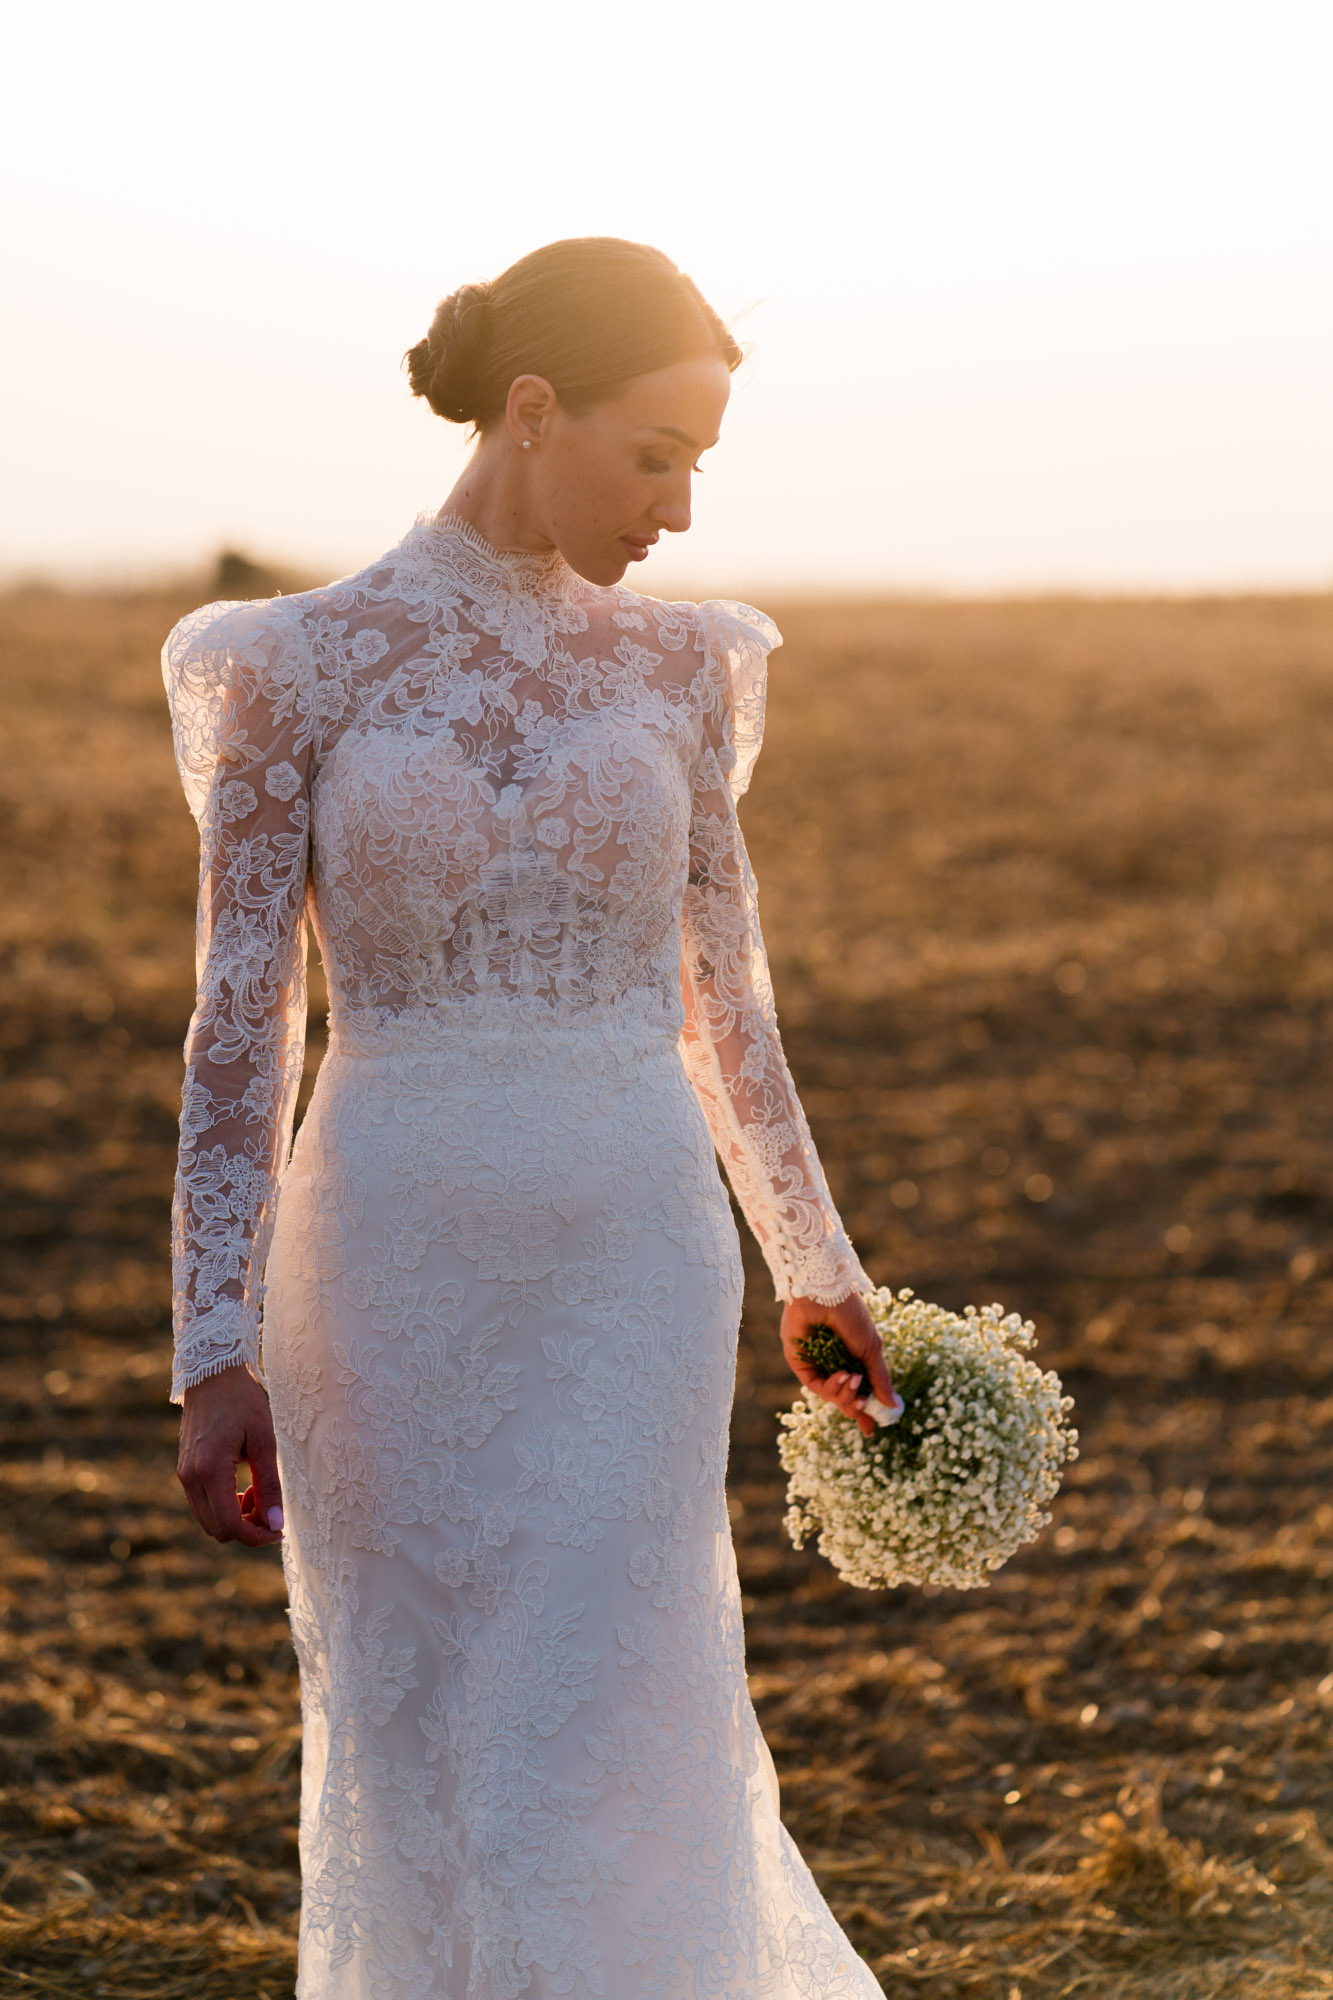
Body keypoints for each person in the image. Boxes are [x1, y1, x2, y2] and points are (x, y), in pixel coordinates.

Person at [164, 236, 897, 1998]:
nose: (683, 512)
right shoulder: (296, 665)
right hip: (389, 1254)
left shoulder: (678, 670)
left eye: (701, 468)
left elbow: (727, 1000)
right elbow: (237, 1025)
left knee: (610, 1689)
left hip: (629, 1243)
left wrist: (816, 1260)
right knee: (426, 1718)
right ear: (531, 406)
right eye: (656, 459)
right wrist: (213, 1340)